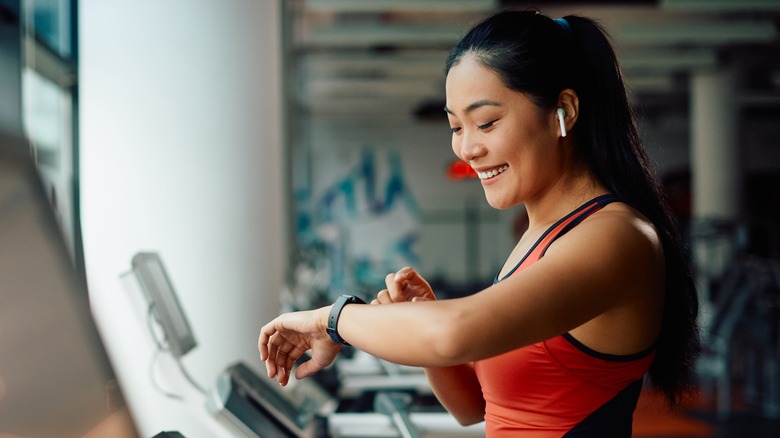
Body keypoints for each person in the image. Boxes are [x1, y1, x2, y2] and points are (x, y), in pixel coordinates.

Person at [259, 10, 700, 437]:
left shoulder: (617, 236)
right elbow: (474, 407)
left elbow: (454, 333)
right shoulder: (538, 239)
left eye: (486, 122)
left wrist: (329, 320)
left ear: (563, 110)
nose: (466, 149)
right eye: (456, 127)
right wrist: (421, 318)